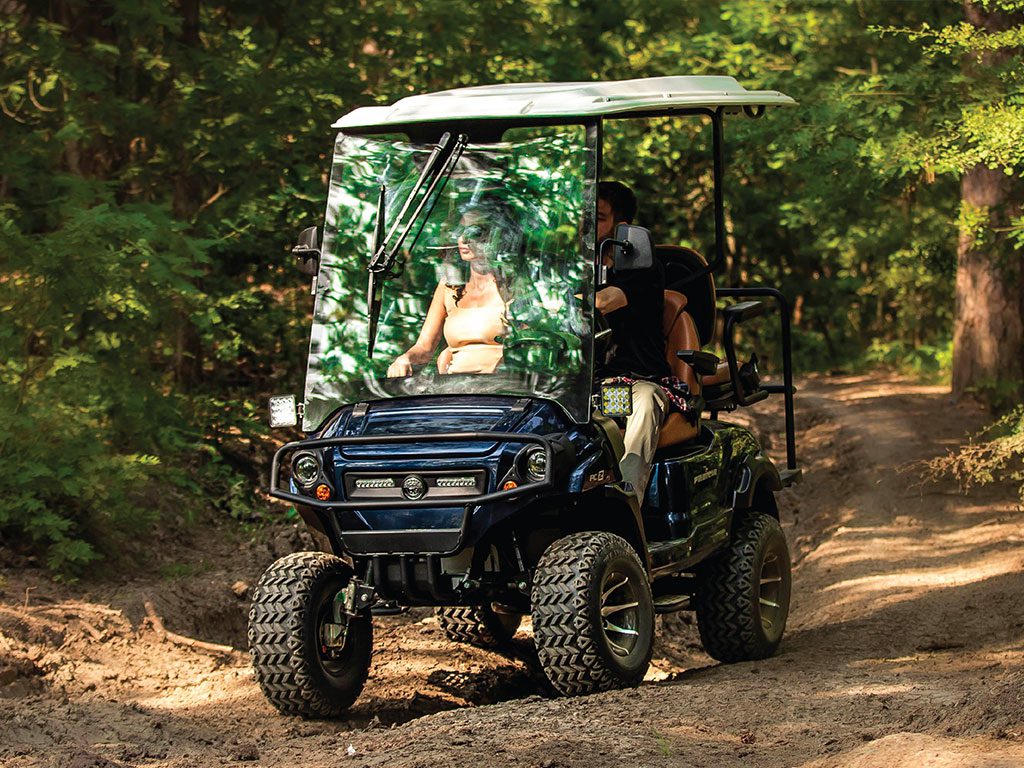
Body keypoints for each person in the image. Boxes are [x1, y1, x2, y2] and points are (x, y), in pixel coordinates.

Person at [595, 181, 697, 505]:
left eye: (597, 217)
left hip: (626, 384)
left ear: (622, 229)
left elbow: (604, 302)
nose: (586, 225)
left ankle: (626, 503)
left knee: (644, 400)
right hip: (581, 387)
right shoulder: (568, 269)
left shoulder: (640, 267)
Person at [387, 202, 513, 377]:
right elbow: (424, 346)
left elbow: (530, 344)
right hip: (455, 390)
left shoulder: (513, 286)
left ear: (496, 236)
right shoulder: (450, 285)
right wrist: (405, 358)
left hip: (505, 391)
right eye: (459, 232)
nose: (462, 239)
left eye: (474, 232)